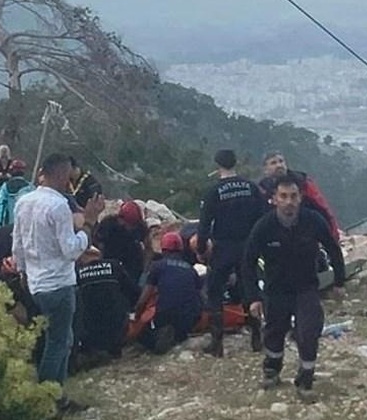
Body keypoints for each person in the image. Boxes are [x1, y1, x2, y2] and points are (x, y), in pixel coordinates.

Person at [12, 152, 105, 419]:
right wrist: (88, 223)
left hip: (35, 282)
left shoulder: (24, 202)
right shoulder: (58, 207)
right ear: (64, 177)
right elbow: (71, 250)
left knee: (61, 339)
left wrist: (22, 272)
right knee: (58, 342)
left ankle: (56, 397)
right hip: (59, 283)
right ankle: (47, 401)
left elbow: (17, 243)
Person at [241, 173, 345, 401]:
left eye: (293, 196)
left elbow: (333, 249)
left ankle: (305, 381)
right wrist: (253, 298)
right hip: (275, 290)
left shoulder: (314, 221)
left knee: (308, 333)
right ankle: (271, 370)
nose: (289, 201)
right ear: (274, 199)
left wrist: (339, 281)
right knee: (275, 333)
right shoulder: (264, 226)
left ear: (300, 198)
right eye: (284, 196)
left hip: (306, 288)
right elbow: (247, 262)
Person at [196, 149, 265, 357]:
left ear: (218, 165)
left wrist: (200, 249)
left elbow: (204, 225)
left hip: (223, 247)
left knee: (215, 292)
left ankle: (217, 343)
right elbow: (262, 218)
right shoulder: (251, 187)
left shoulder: (214, 192)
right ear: (236, 163)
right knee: (249, 289)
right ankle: (256, 337)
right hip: (247, 245)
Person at [137, 231, 203, 355]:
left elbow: (144, 297)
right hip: (190, 317)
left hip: (166, 315)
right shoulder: (191, 269)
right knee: (181, 327)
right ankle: (178, 336)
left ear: (163, 249)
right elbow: (200, 295)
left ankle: (160, 338)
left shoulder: (157, 266)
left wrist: (137, 314)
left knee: (142, 336)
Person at [74, 246, 140, 361]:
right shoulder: (113, 266)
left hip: (90, 333)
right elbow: (133, 292)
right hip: (118, 331)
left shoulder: (77, 274)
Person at [257, 151, 340, 242]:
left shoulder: (303, 182)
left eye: (281, 161)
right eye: (273, 163)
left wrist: (333, 235)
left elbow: (323, 208)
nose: (279, 165)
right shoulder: (262, 189)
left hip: (306, 232)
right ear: (265, 169)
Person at [93, 200, 148, 287]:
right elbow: (98, 242)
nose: (130, 228)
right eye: (129, 225)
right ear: (120, 219)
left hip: (132, 261)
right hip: (110, 259)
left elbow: (146, 244)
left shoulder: (140, 227)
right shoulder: (108, 224)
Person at [0, 159, 33, 228]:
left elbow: (0, 204)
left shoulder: (5, 187)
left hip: (9, 225)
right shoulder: (30, 187)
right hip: (27, 225)